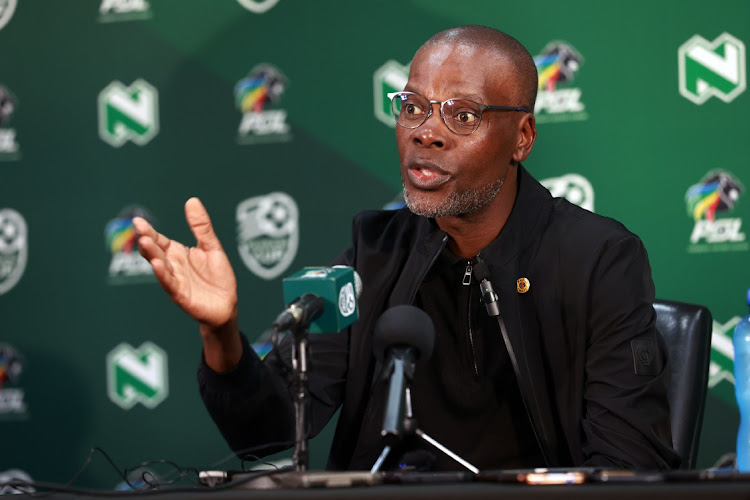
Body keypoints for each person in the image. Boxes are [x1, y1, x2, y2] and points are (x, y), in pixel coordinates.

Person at [134, 25, 680, 471]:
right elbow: (268, 432)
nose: (426, 132)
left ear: (522, 138)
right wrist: (220, 333)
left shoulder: (598, 258)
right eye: (414, 107)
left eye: (462, 115)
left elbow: (627, 466)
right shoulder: (373, 251)